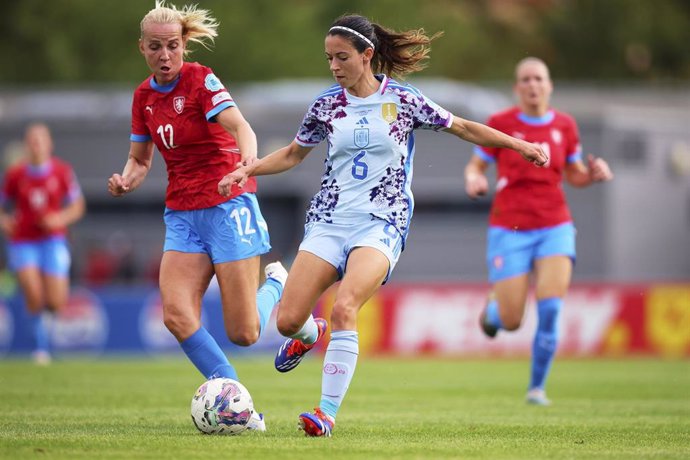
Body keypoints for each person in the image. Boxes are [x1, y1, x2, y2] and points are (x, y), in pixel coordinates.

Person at [219, 14, 548, 437]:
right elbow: (292, 154)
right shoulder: (325, 104)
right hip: (329, 220)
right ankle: (308, 333)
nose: (334, 66)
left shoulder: (404, 100)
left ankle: (325, 413)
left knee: (344, 307)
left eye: (342, 57)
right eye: (328, 58)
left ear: (367, 55)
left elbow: (464, 127)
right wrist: (249, 170)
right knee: (286, 321)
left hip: (382, 222)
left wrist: (519, 145)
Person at [107, 1, 287, 431]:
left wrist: (246, 164)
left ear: (184, 44)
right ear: (142, 48)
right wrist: (126, 179)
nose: (165, 55)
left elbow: (242, 127)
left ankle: (278, 281)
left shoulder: (201, 80)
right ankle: (235, 405)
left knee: (244, 333)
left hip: (228, 204)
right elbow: (139, 159)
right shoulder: (143, 97)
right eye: (155, 47)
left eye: (172, 46)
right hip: (183, 214)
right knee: (176, 314)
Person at [464, 57, 614, 406]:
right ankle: (494, 312)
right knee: (512, 321)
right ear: (517, 88)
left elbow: (574, 175)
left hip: (554, 226)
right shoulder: (500, 123)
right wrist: (473, 178)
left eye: (539, 79)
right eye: (526, 79)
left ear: (549, 86)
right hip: (510, 228)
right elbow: (477, 163)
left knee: (550, 308)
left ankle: (536, 389)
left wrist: (593, 174)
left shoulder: (565, 125)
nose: (533, 85)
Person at [0, 123, 86, 364]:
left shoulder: (61, 172)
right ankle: (40, 348)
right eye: (32, 140)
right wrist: (5, 221)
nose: (36, 144)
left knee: (56, 301)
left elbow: (77, 206)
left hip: (53, 240)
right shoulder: (16, 175)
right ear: (27, 145)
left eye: (41, 139)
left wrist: (59, 218)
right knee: (34, 294)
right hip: (23, 242)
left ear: (49, 144)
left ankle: (45, 324)